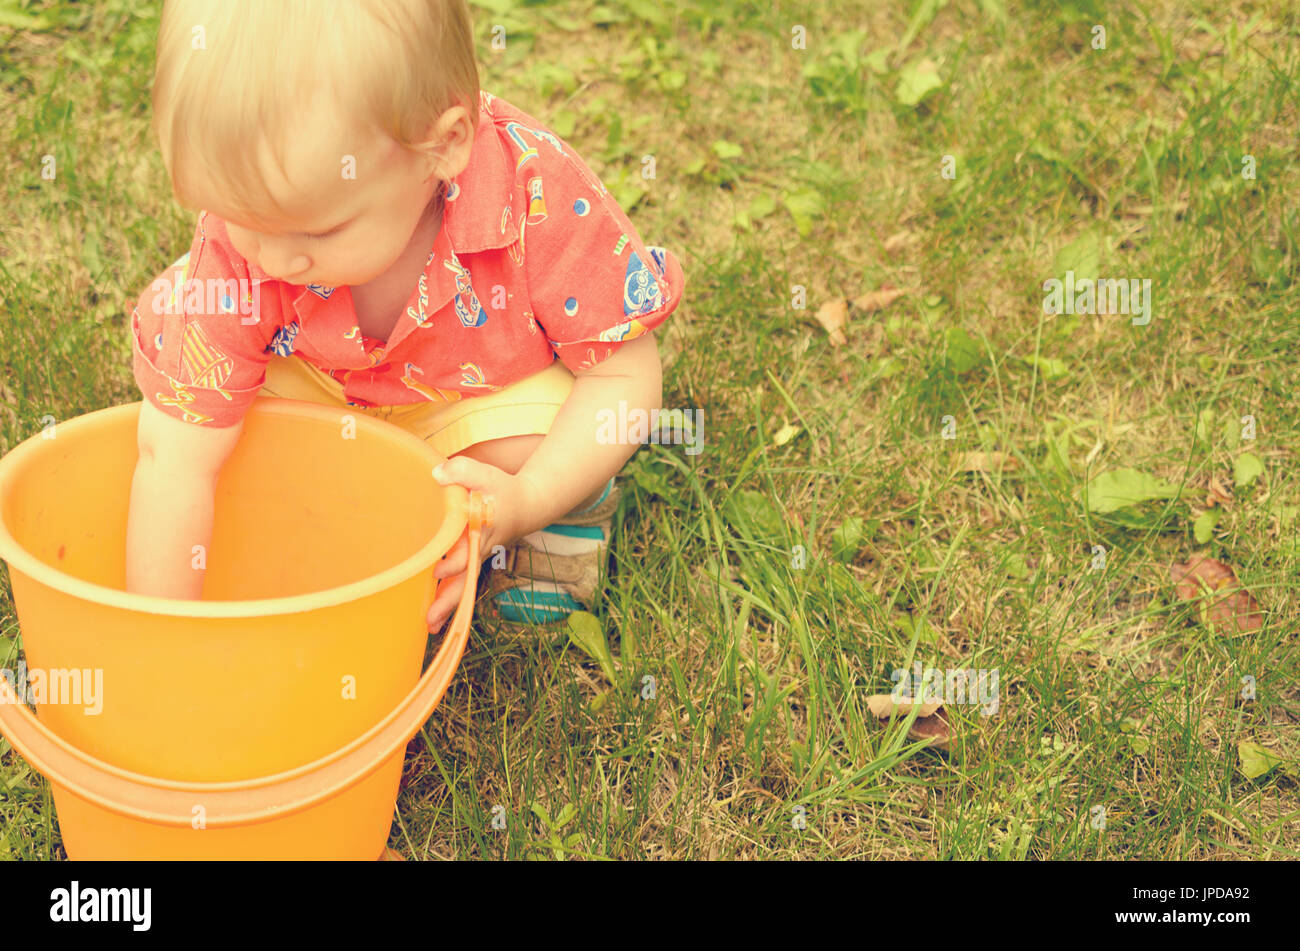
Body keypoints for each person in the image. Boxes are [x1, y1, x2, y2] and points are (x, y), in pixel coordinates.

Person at [124, 0, 685, 633]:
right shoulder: (238, 254)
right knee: (204, 429)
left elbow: (623, 375)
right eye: (238, 218)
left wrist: (529, 496)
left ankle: (558, 516)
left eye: (318, 227)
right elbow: (176, 457)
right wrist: (163, 634)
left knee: (558, 432)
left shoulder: (535, 192)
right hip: (316, 391)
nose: (273, 259)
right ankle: (339, 503)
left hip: (468, 399)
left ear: (442, 145)